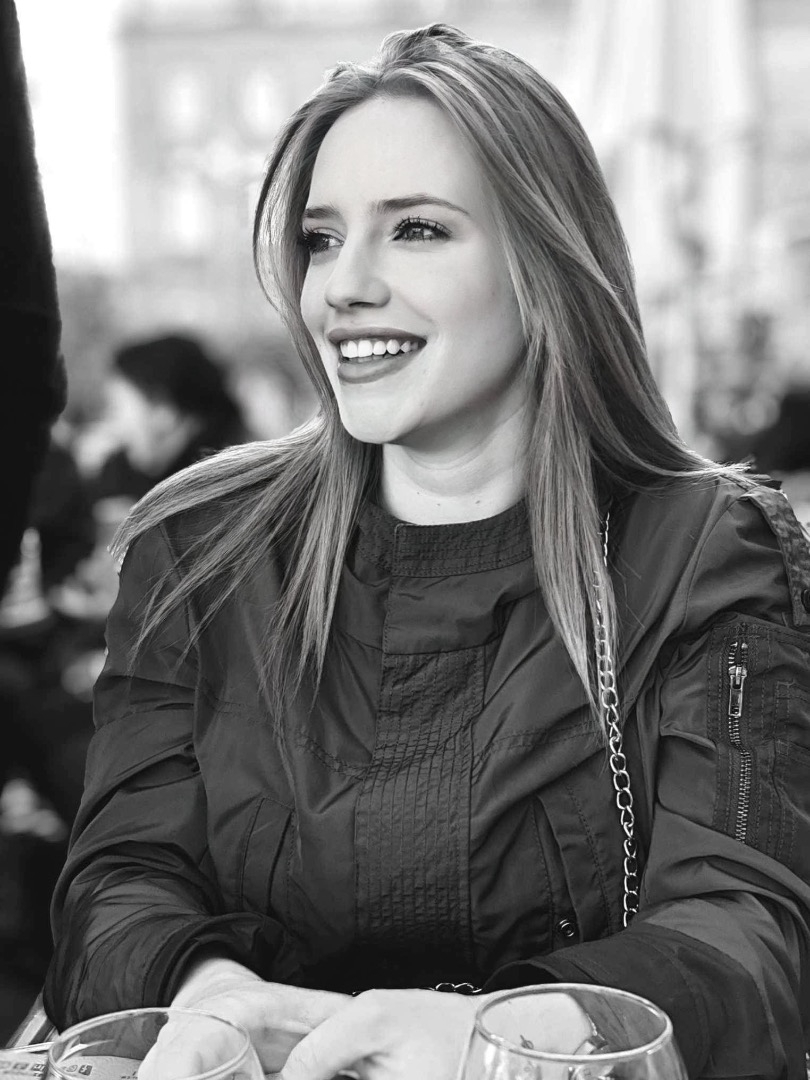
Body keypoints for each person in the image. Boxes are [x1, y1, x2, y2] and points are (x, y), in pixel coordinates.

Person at [43, 24, 810, 1080]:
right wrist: (213, 1001)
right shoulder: (202, 543)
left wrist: (499, 1042)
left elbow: (750, 934)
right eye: (320, 238)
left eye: (415, 230)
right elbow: (118, 878)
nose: (342, 286)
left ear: (546, 261)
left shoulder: (704, 550)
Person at [90, 332, 247, 505]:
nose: (110, 424)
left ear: (164, 412)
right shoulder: (118, 473)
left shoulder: (228, 485)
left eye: (116, 409)